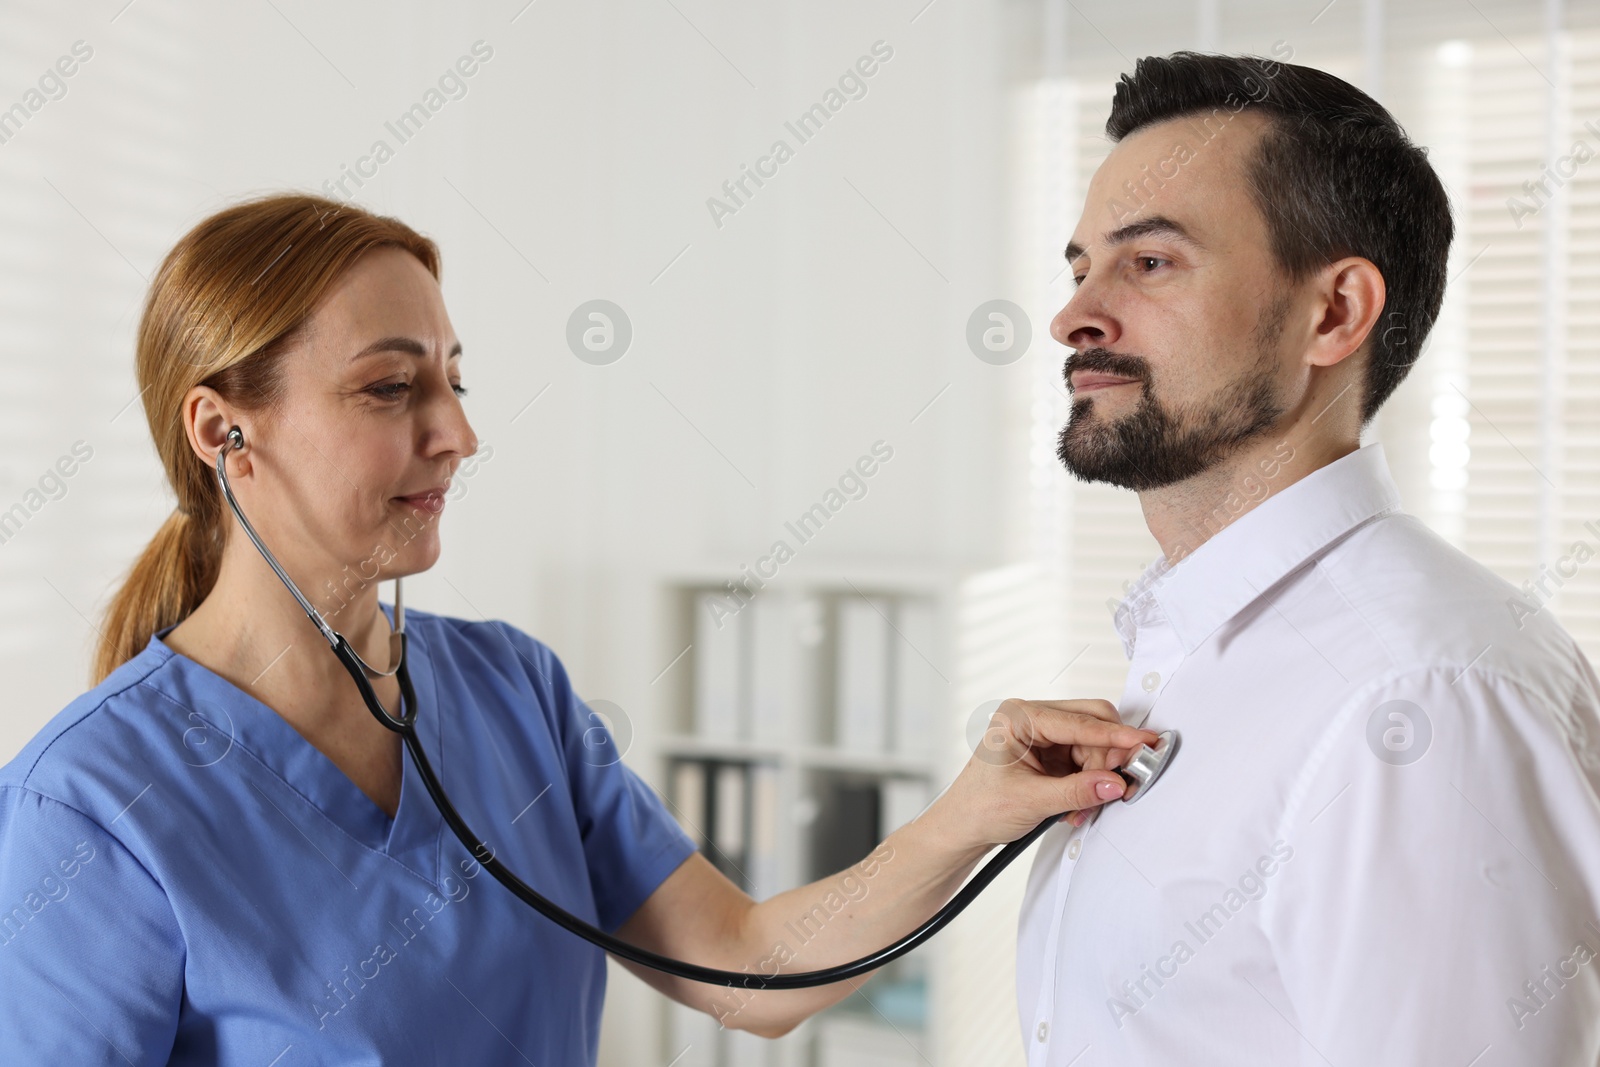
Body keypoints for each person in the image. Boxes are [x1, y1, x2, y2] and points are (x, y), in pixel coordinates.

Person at [0, 194, 1158, 1065]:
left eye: (454, 379)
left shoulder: (513, 688)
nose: (457, 431)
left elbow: (747, 967)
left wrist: (977, 804)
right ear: (222, 431)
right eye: (390, 388)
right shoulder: (86, 805)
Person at [1018, 50, 1600, 1065]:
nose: (1074, 316)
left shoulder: (1423, 698)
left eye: (1148, 262)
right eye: (1079, 267)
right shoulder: (1187, 653)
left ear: (1333, 312)